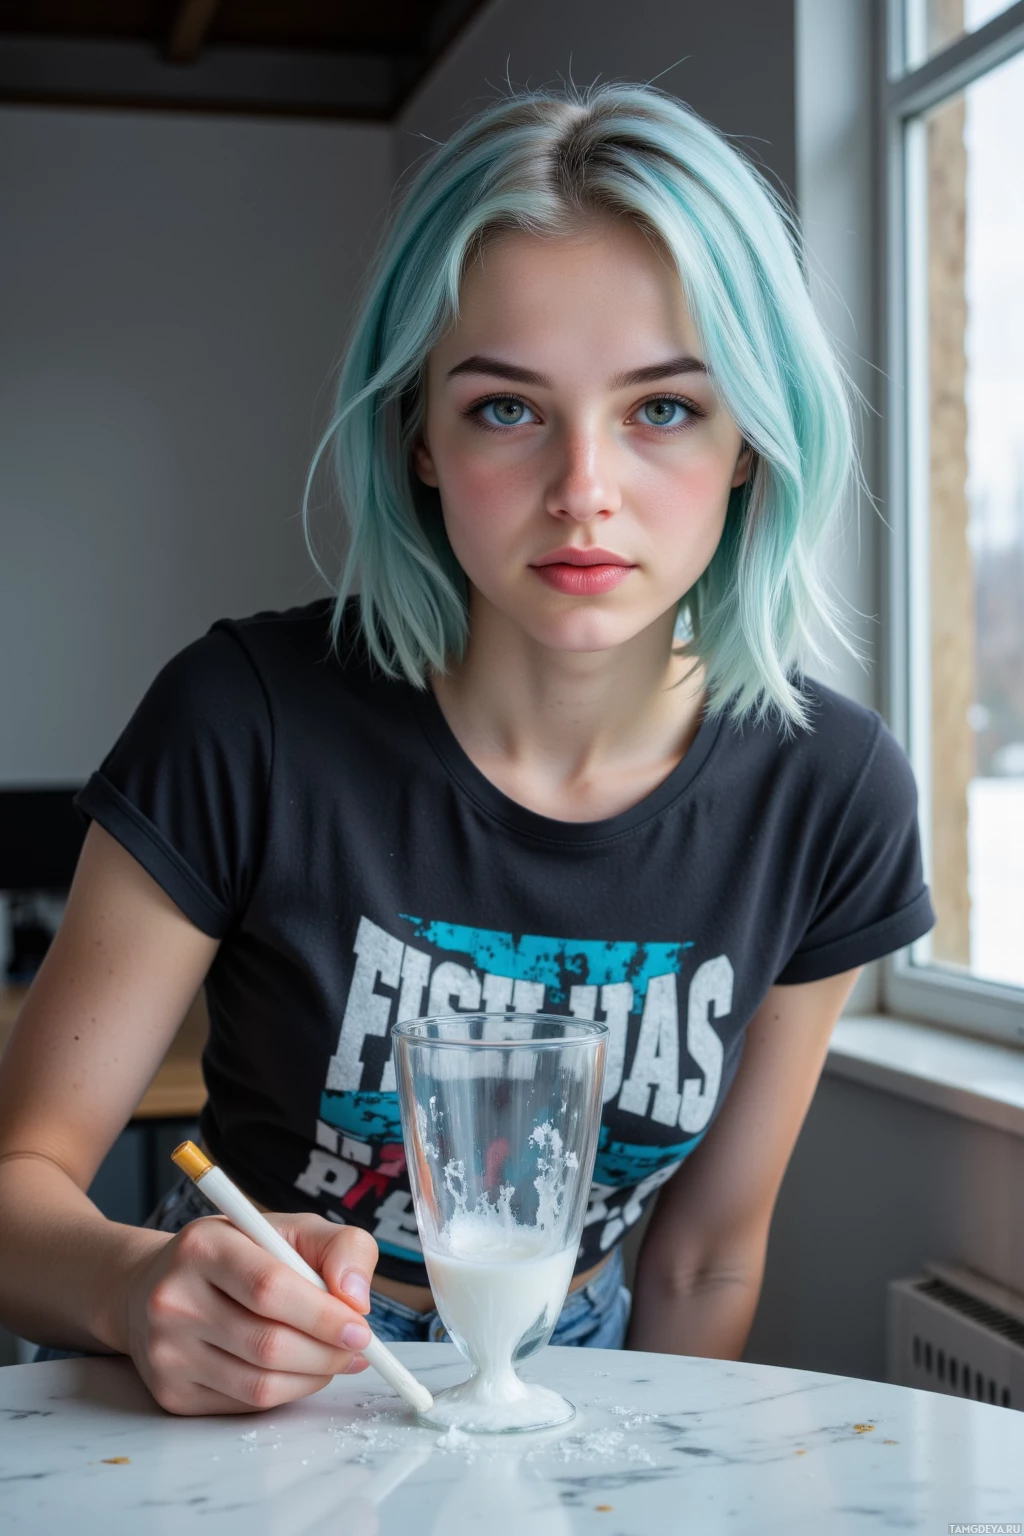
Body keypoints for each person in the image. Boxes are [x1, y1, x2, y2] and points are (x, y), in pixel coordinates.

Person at [0, 81, 934, 1417]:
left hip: (574, 1389)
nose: (584, 491)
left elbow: (704, 1263)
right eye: (506, 408)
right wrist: (135, 1289)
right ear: (420, 437)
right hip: (228, 1387)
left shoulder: (831, 792)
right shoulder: (243, 718)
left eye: (664, 408)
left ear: (749, 441)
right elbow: (17, 1191)